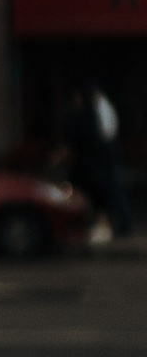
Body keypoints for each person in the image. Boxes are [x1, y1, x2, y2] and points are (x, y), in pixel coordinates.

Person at [61, 81, 134, 240]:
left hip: (103, 160)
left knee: (110, 193)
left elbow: (105, 133)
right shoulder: (96, 110)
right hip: (103, 159)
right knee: (110, 193)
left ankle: (121, 224)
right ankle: (120, 224)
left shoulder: (99, 109)